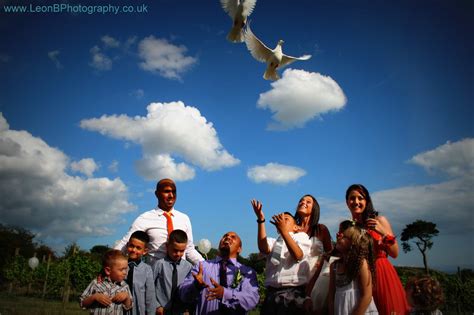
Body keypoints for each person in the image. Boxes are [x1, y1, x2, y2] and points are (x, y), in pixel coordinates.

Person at [345, 184, 409, 315]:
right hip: (360, 278)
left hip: (381, 273)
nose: (356, 202)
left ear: (366, 201)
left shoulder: (379, 220)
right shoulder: (349, 227)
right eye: (352, 198)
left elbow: (395, 253)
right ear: (347, 202)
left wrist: (382, 231)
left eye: (360, 198)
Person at [115, 178, 203, 265]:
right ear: (157, 194)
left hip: (180, 276)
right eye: (167, 191)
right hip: (155, 276)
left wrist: (208, 267)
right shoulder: (144, 218)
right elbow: (124, 244)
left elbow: (189, 250)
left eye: (174, 192)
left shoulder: (184, 219)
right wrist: (109, 265)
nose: (171, 195)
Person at [252, 199, 312, 315]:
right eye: (280, 219)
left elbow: (298, 255)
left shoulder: (300, 237)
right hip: (271, 294)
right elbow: (263, 248)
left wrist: (284, 232)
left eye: (286, 219)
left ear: (296, 227)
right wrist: (261, 220)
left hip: (292, 293)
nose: (282, 221)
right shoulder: (273, 241)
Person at [179, 231, 259, 315]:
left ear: (239, 249)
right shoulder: (202, 267)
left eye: (233, 237)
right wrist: (195, 286)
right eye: (225, 236)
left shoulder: (246, 272)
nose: (228, 237)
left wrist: (225, 294)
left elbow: (251, 300)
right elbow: (183, 295)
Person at [292, 195, 333, 314]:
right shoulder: (292, 229)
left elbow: (330, 254)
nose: (303, 202)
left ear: (314, 208)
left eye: (308, 201)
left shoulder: (321, 229)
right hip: (296, 277)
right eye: (301, 200)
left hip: (318, 279)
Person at [328, 220, 378, 315]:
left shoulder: (361, 264)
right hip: (340, 308)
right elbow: (331, 294)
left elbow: (366, 296)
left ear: (354, 243)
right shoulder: (334, 266)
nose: (340, 236)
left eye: (345, 236)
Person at [154, 229, 193, 315]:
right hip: (161, 311)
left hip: (180, 311)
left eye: (182, 251)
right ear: (167, 246)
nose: (178, 254)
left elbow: (190, 290)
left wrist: (187, 309)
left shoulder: (188, 267)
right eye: (175, 250)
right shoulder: (159, 264)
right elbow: (150, 287)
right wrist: (156, 305)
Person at [80, 249, 133, 314]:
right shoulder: (96, 283)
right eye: (122, 270)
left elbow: (128, 307)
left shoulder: (125, 286)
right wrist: (94, 297)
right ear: (108, 271)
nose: (125, 273)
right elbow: (82, 303)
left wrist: (126, 297)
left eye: (126, 269)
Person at [125, 230, 157, 315]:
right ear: (127, 245)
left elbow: (150, 296)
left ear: (145, 251)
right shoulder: (119, 266)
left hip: (138, 311)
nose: (134, 250)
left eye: (138, 248)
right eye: (131, 246)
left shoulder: (147, 270)